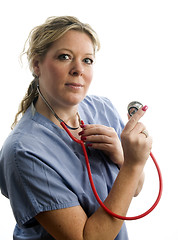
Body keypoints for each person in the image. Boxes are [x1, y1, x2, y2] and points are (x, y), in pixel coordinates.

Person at [0, 16, 152, 240]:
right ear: (36, 64)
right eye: (65, 57)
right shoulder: (24, 151)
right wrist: (133, 164)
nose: (78, 70)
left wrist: (122, 157)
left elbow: (135, 188)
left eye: (87, 60)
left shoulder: (103, 109)